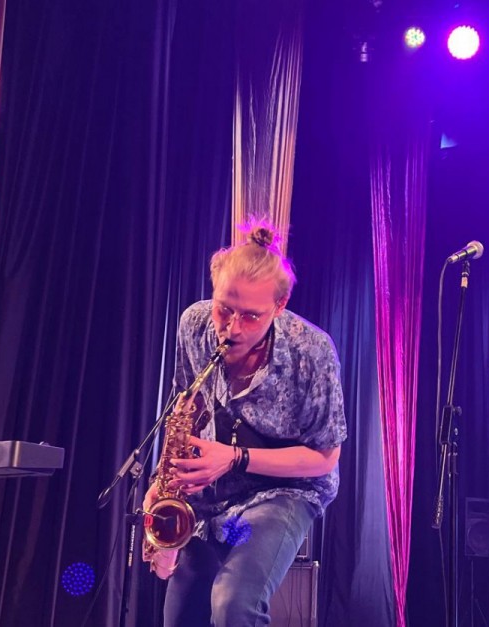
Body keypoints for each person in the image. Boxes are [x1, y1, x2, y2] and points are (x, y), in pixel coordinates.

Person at [143, 217, 347, 627]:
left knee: (233, 604)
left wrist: (235, 458)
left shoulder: (311, 350)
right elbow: (186, 409)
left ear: (279, 305)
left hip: (284, 492)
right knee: (179, 618)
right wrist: (165, 486)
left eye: (251, 316)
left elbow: (325, 458)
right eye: (224, 309)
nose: (231, 328)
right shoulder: (194, 324)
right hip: (213, 491)